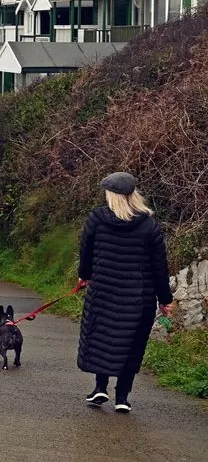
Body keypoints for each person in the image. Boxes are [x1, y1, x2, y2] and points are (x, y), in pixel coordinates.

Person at [77, 171, 173, 413]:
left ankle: (100, 387)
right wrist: (165, 299)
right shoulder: (149, 225)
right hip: (138, 299)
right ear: (133, 195)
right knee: (131, 344)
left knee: (103, 338)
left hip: (103, 292)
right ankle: (122, 397)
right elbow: (159, 266)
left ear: (111, 195)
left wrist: (84, 276)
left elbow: (85, 253)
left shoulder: (96, 219)